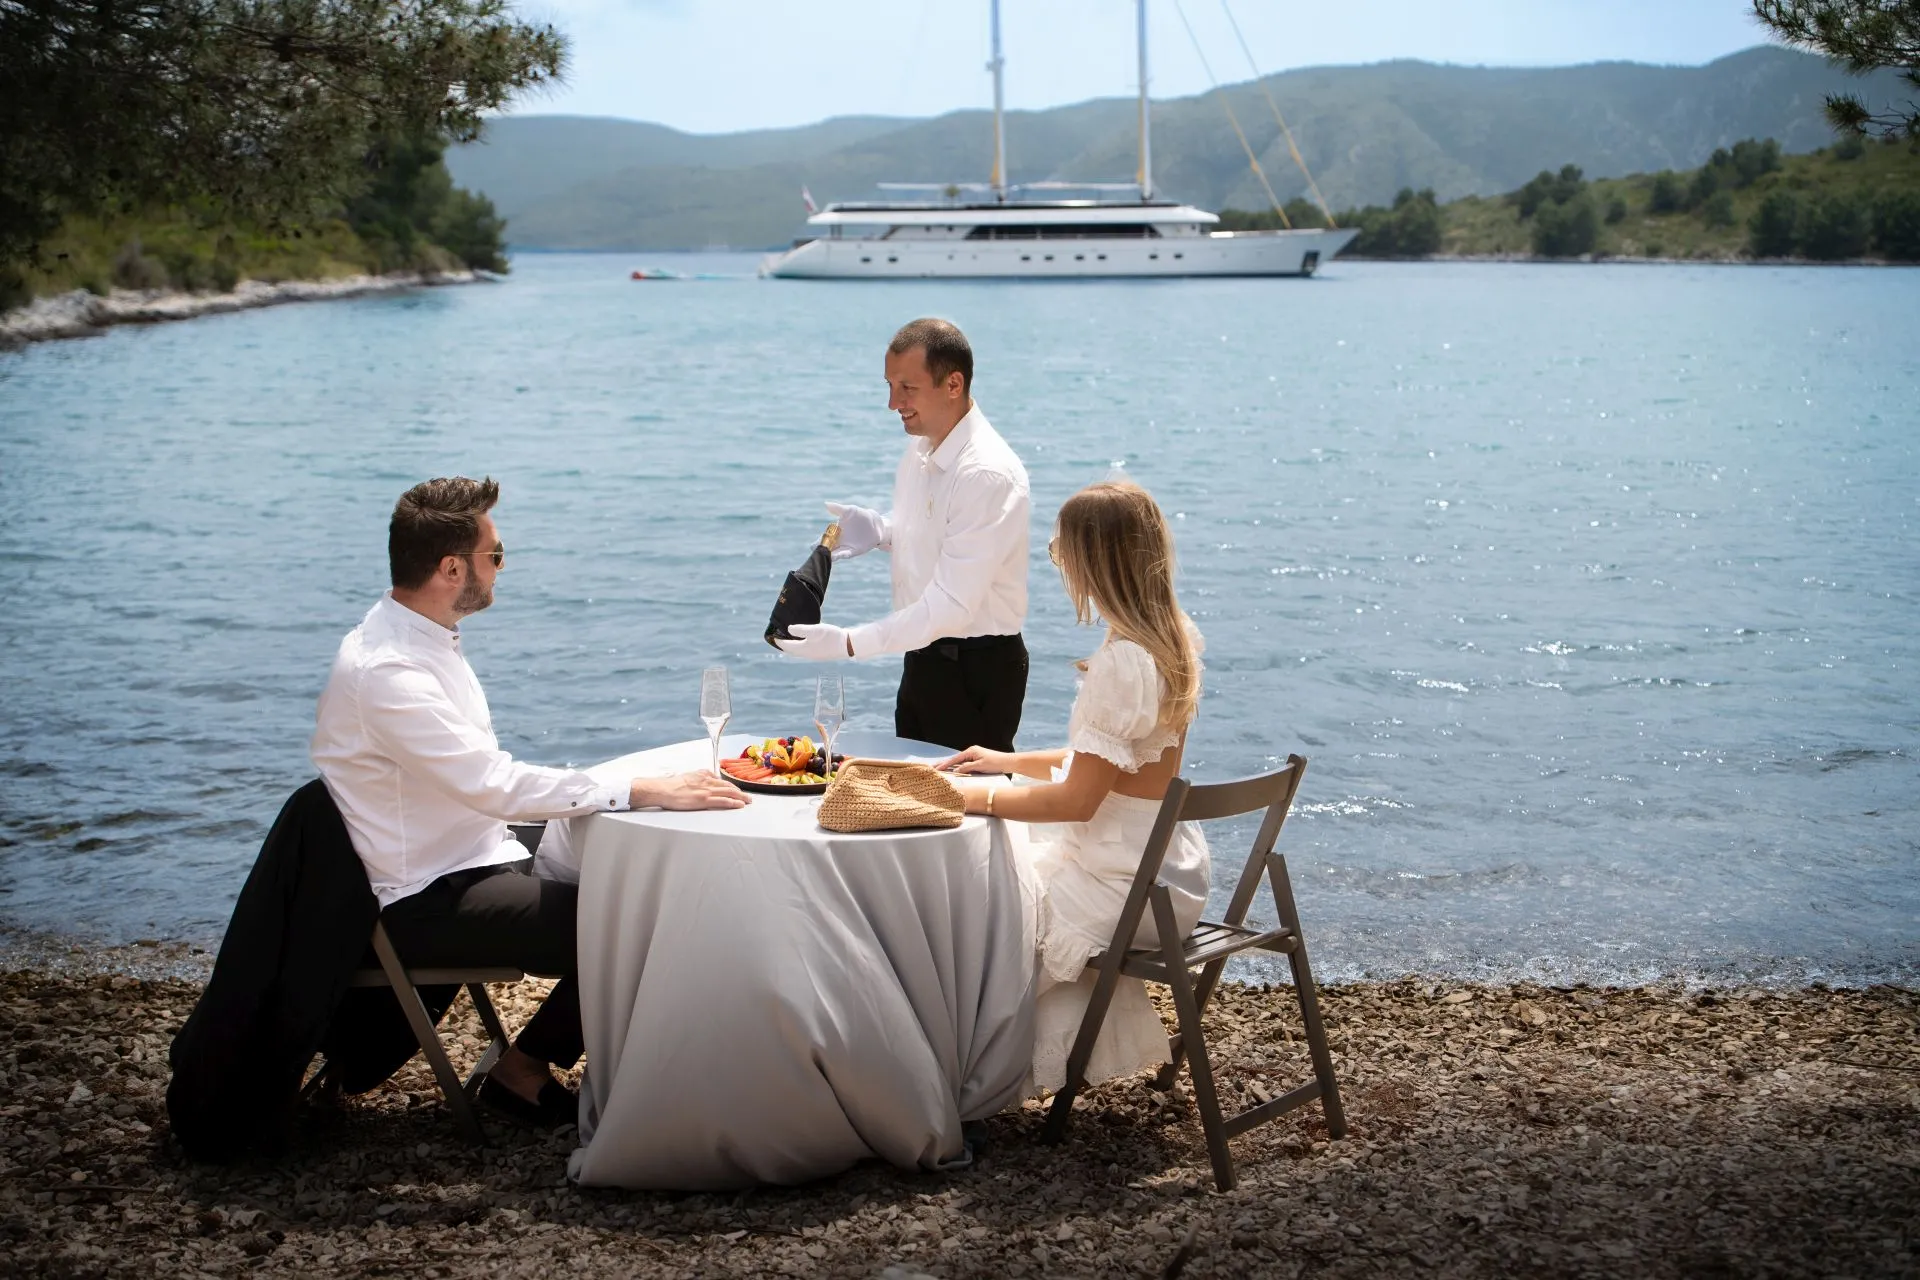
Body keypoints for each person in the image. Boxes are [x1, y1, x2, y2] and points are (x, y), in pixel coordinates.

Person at [311, 476, 746, 1126]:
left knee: (652, 863)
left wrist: (627, 800)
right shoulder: (388, 672)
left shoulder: (422, 637)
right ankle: (524, 1070)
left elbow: (489, 788)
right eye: (497, 555)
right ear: (452, 567)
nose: (502, 568)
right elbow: (493, 783)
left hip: (477, 850)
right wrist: (637, 787)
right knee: (653, 921)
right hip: (427, 896)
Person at [939, 479, 1209, 1093]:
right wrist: (1005, 760)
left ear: (1097, 559)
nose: (1059, 564)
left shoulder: (1122, 663)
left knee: (975, 903)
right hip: (1168, 875)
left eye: (1063, 552)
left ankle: (975, 1078)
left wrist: (968, 798)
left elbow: (1078, 799)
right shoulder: (1170, 639)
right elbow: (1114, 761)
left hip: (1127, 891)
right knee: (1006, 868)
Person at [776, 318, 1032, 753]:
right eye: (889, 385)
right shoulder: (920, 447)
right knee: (909, 808)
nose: (893, 403)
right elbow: (939, 533)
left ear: (953, 384)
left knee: (963, 811)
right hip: (923, 660)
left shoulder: (987, 473)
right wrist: (884, 531)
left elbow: (951, 606)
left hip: (975, 672)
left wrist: (850, 643)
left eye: (907, 388)